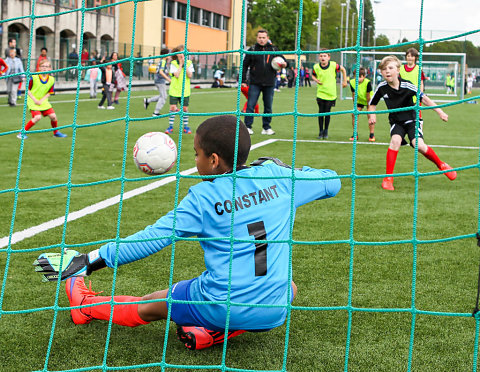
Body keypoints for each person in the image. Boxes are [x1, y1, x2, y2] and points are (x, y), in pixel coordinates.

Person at [33, 114, 341, 351]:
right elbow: (332, 181)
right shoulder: (279, 178)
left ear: (213, 160)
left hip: (221, 301)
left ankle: (84, 306)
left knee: (151, 305)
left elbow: (150, 239)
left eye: (196, 154)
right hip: (275, 310)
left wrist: (90, 260)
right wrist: (284, 168)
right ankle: (215, 333)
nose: (194, 160)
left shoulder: (202, 198)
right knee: (290, 285)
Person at [367, 55, 456, 191]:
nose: (387, 71)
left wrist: (440, 112)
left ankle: (441, 165)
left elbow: (425, 99)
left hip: (412, 120)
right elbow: (372, 104)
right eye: (384, 69)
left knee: (418, 145)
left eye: (390, 68)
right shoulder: (381, 87)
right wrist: (372, 115)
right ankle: (388, 179)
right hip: (396, 122)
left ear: (398, 70)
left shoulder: (407, 85)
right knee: (395, 141)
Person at [241, 29, 287, 135]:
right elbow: (245, 65)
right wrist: (243, 80)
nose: (261, 40)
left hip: (270, 83)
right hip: (254, 83)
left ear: (267, 38)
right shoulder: (252, 49)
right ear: (257, 38)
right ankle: (247, 127)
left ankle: (266, 127)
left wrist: (284, 64)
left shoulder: (274, 49)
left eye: (263, 38)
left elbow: (285, 62)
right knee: (250, 105)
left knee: (268, 106)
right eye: (259, 37)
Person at [17, 59, 67, 139]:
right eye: (43, 66)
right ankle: (21, 133)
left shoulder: (51, 79)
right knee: (37, 117)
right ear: (39, 68)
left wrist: (41, 100)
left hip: (43, 102)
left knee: (53, 116)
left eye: (47, 66)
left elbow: (49, 92)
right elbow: (27, 90)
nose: (44, 68)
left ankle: (56, 132)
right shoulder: (34, 77)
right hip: (32, 100)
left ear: (50, 68)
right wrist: (35, 100)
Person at [312, 49, 348, 139]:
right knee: (320, 113)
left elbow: (343, 69)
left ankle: (326, 131)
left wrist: (345, 81)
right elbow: (313, 74)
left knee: (327, 113)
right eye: (321, 56)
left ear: (328, 57)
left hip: (331, 94)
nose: (322, 58)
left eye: (324, 56)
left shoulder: (333, 65)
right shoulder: (316, 67)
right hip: (320, 93)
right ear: (319, 57)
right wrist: (316, 80)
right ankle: (320, 132)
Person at [165, 44, 194, 134]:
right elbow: (176, 75)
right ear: (176, 54)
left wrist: (185, 65)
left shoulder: (189, 63)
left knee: (184, 108)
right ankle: (170, 127)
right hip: (174, 90)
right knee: (173, 108)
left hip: (185, 91)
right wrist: (181, 65)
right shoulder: (173, 64)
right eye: (180, 52)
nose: (182, 55)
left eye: (183, 52)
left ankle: (186, 127)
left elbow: (190, 75)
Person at [144, 48, 171, 117]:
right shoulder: (163, 61)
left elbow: (161, 71)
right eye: (168, 53)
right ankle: (156, 112)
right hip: (160, 81)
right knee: (164, 97)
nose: (169, 55)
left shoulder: (162, 61)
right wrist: (168, 79)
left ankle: (148, 100)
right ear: (166, 54)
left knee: (162, 96)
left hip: (159, 80)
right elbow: (160, 72)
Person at [349, 67, 374, 141]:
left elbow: (368, 96)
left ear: (364, 76)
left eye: (359, 77)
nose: (357, 79)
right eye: (355, 77)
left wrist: (369, 107)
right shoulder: (352, 82)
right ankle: (355, 134)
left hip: (369, 100)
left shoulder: (367, 82)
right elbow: (353, 95)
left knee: (370, 115)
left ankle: (371, 135)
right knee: (354, 114)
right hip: (359, 100)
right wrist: (355, 106)